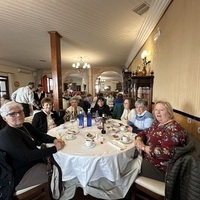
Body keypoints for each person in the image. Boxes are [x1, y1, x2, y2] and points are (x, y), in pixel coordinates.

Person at [0, 101, 65, 191]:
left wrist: (54, 139)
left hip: (36, 161)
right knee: (60, 172)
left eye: (20, 112)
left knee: (62, 164)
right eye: (12, 114)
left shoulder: (26, 125)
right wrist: (55, 148)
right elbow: (27, 156)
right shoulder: (6, 135)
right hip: (22, 172)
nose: (18, 115)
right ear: (4, 118)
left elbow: (41, 136)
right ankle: (59, 194)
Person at [135, 100, 188, 182]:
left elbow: (165, 153)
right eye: (156, 110)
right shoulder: (157, 124)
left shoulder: (174, 129)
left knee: (128, 166)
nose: (158, 112)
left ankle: (126, 193)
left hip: (160, 169)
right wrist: (139, 139)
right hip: (148, 159)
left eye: (162, 110)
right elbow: (144, 132)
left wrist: (143, 147)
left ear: (169, 112)